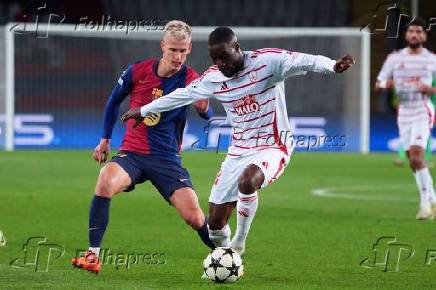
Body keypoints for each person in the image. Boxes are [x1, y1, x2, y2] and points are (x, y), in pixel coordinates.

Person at [121, 26, 354, 255]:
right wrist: (143, 111)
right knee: (214, 224)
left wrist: (332, 65)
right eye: (215, 59)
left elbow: (308, 60)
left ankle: (238, 246)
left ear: (237, 48)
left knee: (247, 181)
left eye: (224, 57)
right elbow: (180, 96)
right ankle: (226, 260)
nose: (221, 64)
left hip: (273, 146)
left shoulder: (268, 62)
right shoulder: (213, 78)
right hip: (238, 151)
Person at [71, 20, 214, 274]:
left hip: (167, 160)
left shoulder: (192, 78)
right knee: (105, 179)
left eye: (183, 50)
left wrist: (204, 109)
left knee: (194, 217)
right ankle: (92, 255)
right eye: (173, 50)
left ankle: (226, 256)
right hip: (132, 155)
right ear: (163, 46)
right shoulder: (137, 71)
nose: (178, 56)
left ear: (190, 49)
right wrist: (105, 139)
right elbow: (113, 101)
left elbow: (206, 111)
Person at [375, 19, 436, 219]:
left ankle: (425, 205)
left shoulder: (431, 59)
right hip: (404, 114)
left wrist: (431, 89)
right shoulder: (394, 59)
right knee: (413, 161)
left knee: (418, 157)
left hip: (422, 110)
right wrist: (389, 82)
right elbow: (379, 83)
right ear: (406, 35)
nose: (415, 35)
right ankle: (433, 198)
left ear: (424, 36)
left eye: (419, 31)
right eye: (411, 31)